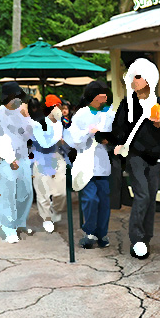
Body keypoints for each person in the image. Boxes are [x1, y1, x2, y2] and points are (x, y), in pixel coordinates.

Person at [111, 58, 160, 260]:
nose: (133, 80)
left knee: (151, 197)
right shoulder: (127, 104)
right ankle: (136, 238)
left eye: (137, 76)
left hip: (155, 156)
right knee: (142, 195)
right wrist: (118, 143)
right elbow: (118, 129)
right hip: (135, 156)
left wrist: (159, 125)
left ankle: (146, 238)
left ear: (148, 78)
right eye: (132, 76)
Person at [66, 81, 115, 248]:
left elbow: (116, 135)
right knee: (91, 199)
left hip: (103, 164)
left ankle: (102, 234)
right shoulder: (81, 114)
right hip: (85, 164)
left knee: (104, 202)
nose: (106, 96)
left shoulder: (109, 113)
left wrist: (110, 140)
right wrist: (89, 132)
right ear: (94, 96)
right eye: (102, 93)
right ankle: (89, 232)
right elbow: (73, 140)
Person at [0, 82, 35, 244]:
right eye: (15, 97)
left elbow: (30, 135)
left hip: (22, 157)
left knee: (26, 191)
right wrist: (9, 158)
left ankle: (20, 222)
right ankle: (8, 229)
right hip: (5, 158)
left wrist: (27, 117)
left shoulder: (21, 111)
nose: (17, 100)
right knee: (7, 193)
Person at [30, 94, 67, 233]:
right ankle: (46, 219)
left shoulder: (62, 123)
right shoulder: (39, 123)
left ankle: (56, 209)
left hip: (57, 157)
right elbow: (43, 143)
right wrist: (57, 139)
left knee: (61, 192)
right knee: (42, 192)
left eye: (60, 107)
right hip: (41, 158)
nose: (59, 110)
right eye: (56, 107)